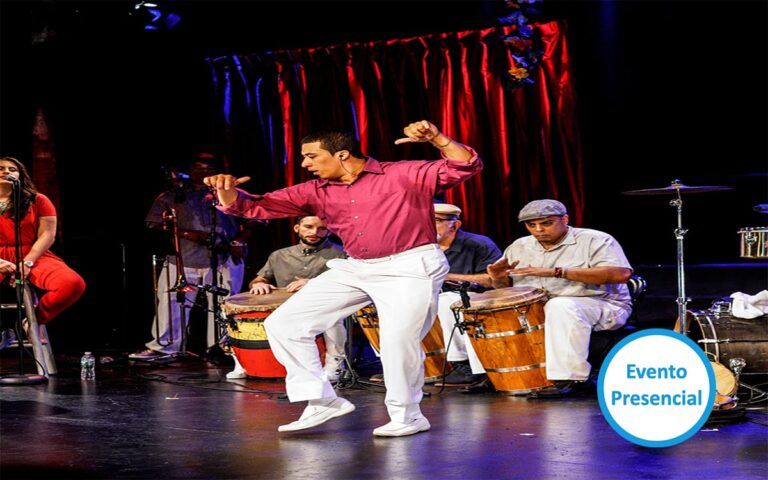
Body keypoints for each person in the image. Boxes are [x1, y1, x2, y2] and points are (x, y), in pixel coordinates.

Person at [205, 120, 481, 437]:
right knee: (284, 323)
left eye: (312, 156)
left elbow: (466, 165)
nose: (305, 164)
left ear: (342, 154)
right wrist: (226, 192)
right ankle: (322, 400)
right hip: (358, 266)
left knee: (396, 341)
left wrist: (436, 137)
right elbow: (257, 206)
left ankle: (408, 416)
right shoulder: (316, 190)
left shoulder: (400, 174)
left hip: (410, 265)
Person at [487, 199, 633, 396]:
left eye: (547, 223)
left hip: (601, 304)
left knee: (560, 305)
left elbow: (621, 274)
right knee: (482, 309)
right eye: (531, 225)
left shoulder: (595, 240)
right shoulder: (519, 246)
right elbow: (506, 289)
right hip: (540, 309)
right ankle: (490, 374)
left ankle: (571, 377)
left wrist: (556, 272)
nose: (539, 230)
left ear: (565, 219)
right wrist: (498, 278)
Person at [130, 155, 245, 360]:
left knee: (225, 304)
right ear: (189, 170)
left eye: (208, 168)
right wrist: (186, 233)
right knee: (172, 302)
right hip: (181, 257)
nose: (203, 172)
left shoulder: (231, 193)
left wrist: (239, 241)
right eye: (198, 168)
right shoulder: (171, 196)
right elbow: (152, 224)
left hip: (223, 256)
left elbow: (255, 219)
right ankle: (164, 347)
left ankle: (223, 348)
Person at [226, 215, 346, 380]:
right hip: (284, 308)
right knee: (232, 315)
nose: (315, 232)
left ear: (329, 231)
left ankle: (335, 366)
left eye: (322, 228)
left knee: (333, 318)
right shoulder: (279, 255)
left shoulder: (340, 254)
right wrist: (258, 284)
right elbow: (259, 279)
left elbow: (347, 283)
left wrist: (313, 283)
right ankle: (242, 363)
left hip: (320, 306)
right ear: (297, 228)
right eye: (308, 227)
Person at [0, 156, 86, 337]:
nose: (6, 171)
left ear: (20, 176)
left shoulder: (38, 200)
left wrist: (27, 263)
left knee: (72, 284)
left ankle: (33, 320)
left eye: (12, 169)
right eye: (1, 168)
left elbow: (47, 234)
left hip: (33, 253)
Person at [431, 203, 501, 387]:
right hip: (436, 296)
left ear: (455, 225)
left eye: (435, 221)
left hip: (478, 298)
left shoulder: (479, 244)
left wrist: (447, 276)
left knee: (446, 302)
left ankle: (465, 365)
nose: (428, 226)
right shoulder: (422, 249)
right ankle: (401, 365)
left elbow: (492, 280)